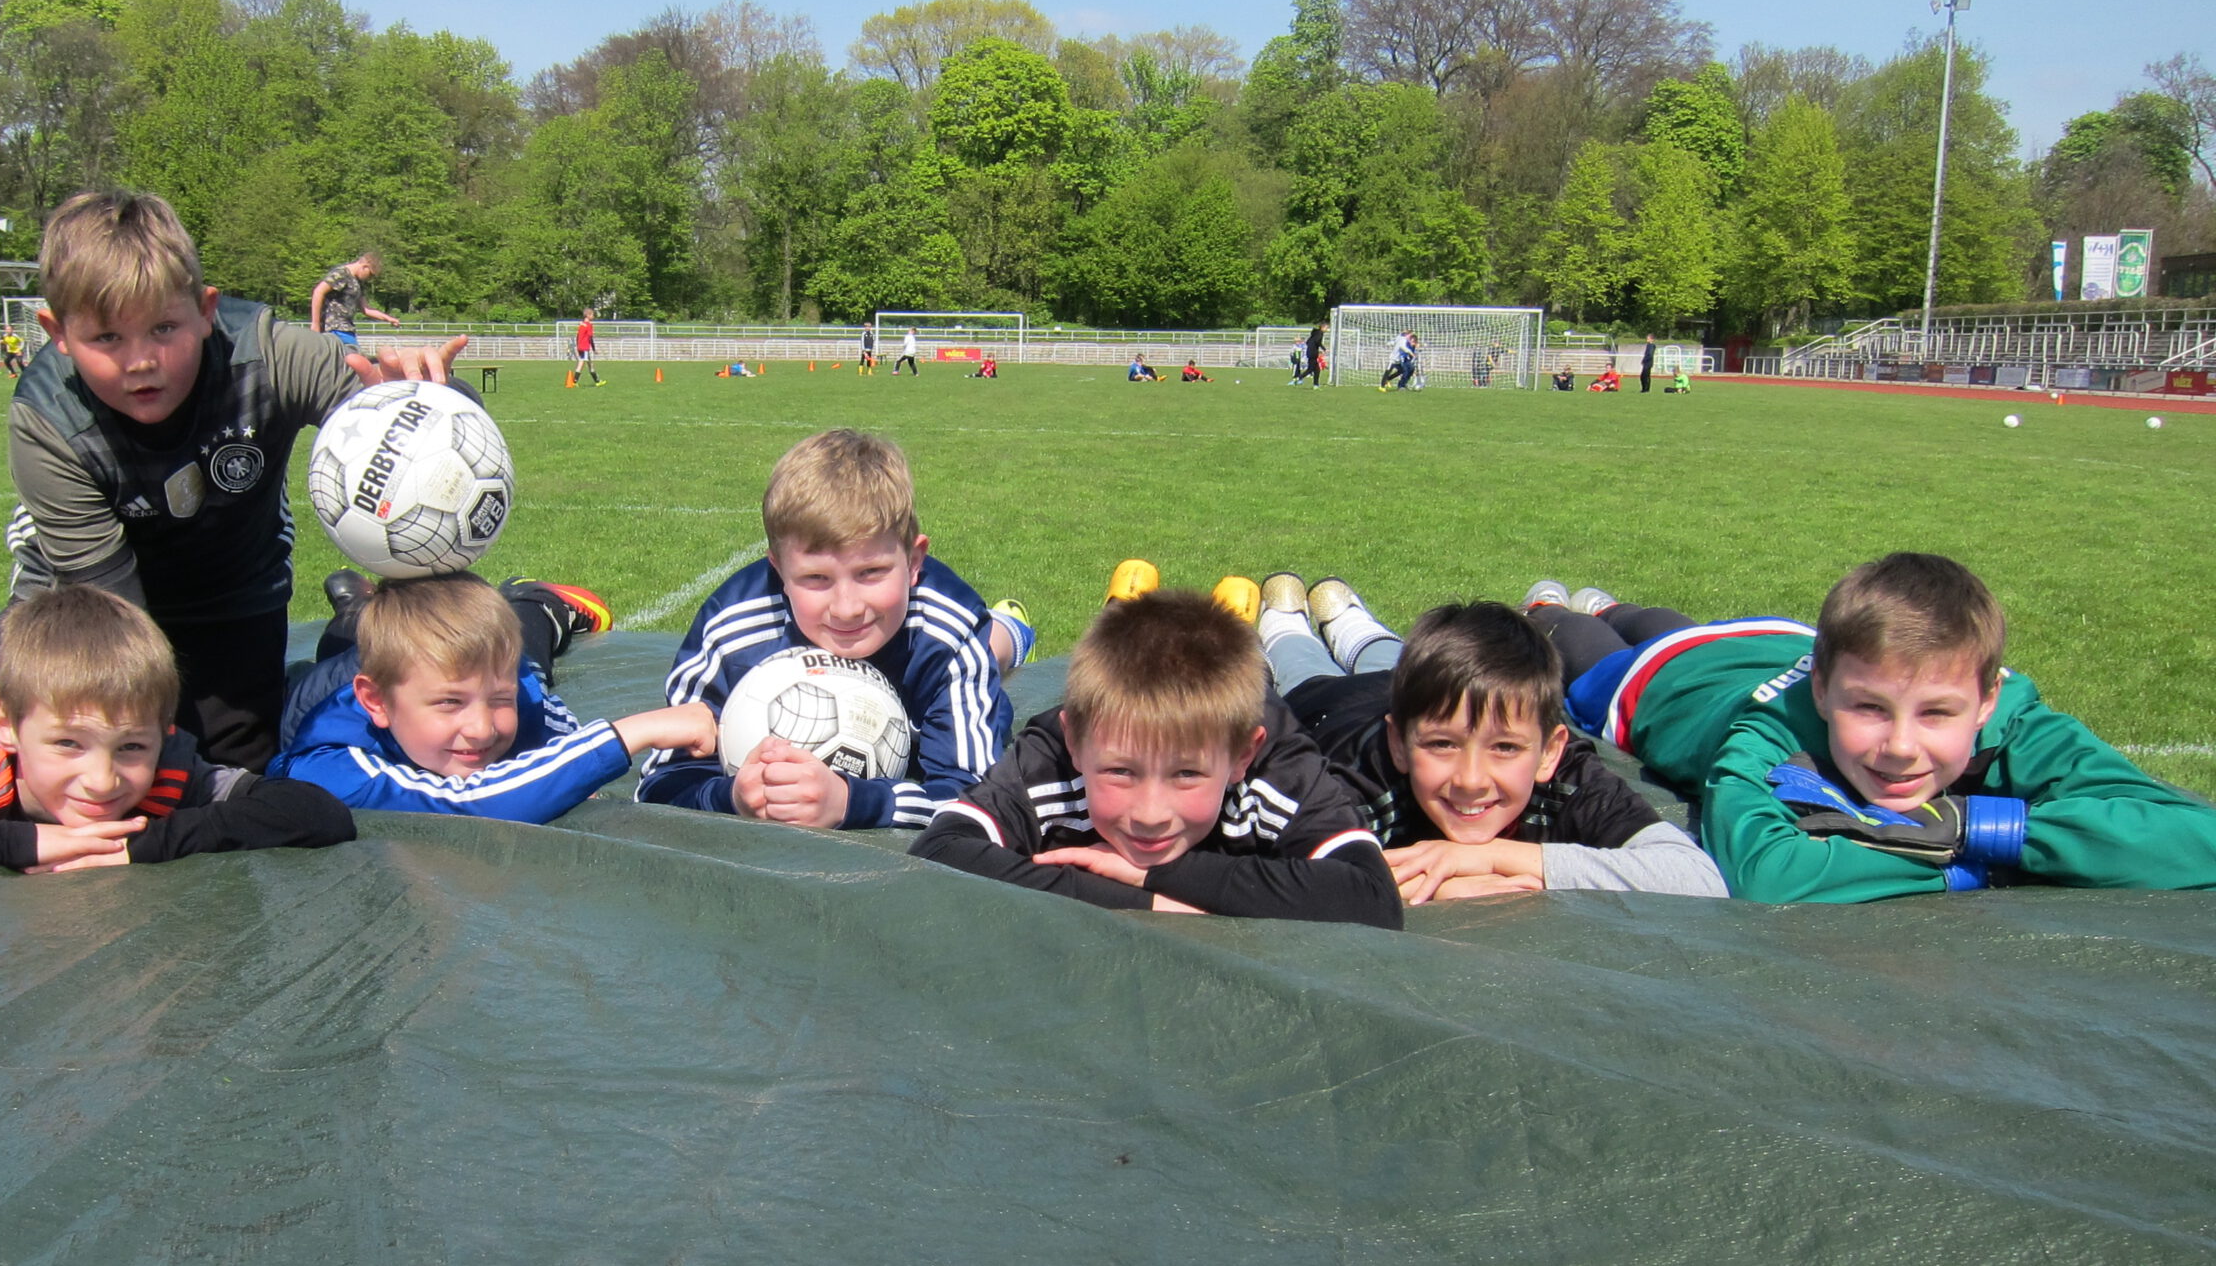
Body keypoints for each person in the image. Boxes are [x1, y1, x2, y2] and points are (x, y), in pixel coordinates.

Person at [1, 189, 469, 772]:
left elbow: (423, 432)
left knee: (238, 768)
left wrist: (433, 396)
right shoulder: (48, 420)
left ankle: (329, 655)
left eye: (164, 328)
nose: (140, 360)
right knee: (98, 762)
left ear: (205, 310)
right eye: (107, 339)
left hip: (234, 590)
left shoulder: (268, 354)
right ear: (57, 331)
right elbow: (109, 616)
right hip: (86, 604)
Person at [1532, 554, 2216, 901]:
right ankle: (1552, 607)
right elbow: (1768, 875)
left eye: (1938, 713)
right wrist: (1955, 855)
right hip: (1654, 679)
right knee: (1570, 635)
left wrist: (1974, 831)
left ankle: (1613, 602)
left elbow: (2197, 834)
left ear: (1985, 702)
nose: (1899, 746)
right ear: (1825, 693)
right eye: (1869, 711)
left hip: (1777, 638)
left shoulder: (2015, 719)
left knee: (1648, 614)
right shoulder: (1765, 730)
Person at [0, 583, 353, 888]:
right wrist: (23, 844)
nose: (102, 781)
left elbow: (316, 813)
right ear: (9, 730)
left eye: (131, 747)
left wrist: (142, 844)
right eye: (69, 744)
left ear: (163, 731)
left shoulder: (169, 760)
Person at [910, 589, 1401, 924]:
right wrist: (1150, 902)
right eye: (1121, 771)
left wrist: (1158, 873)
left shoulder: (1277, 766)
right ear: (1076, 743)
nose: (1149, 813)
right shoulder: (1050, 757)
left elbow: (1371, 897)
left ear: (1240, 757)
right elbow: (940, 852)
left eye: (1186, 774)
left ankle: (1285, 628)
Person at [1252, 575, 1723, 903]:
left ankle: (1353, 620)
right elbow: (1278, 878)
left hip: (1426, 698)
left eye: (1505, 747)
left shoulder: (1569, 776)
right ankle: (1284, 623)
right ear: (1399, 745)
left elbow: (1698, 878)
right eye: (1442, 746)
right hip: (1335, 706)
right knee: (1303, 667)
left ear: (1549, 751)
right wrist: (1437, 886)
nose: (1472, 781)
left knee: (1397, 659)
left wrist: (1493, 857)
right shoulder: (1355, 785)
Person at [636, 428, 1013, 830]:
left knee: (992, 647)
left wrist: (855, 802)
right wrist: (729, 796)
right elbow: (660, 786)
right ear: (778, 569)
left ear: (914, 561)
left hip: (956, 636)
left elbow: (978, 801)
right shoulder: (733, 629)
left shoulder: (948, 630)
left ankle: (1009, 630)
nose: (847, 608)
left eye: (871, 572)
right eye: (816, 578)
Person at [273, 572, 712, 822]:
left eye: (498, 700)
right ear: (377, 704)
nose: (482, 727)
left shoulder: (516, 688)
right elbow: (467, 801)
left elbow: (558, 746)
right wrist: (629, 732)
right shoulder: (327, 764)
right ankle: (357, 606)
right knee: (341, 648)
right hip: (320, 689)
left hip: (415, 676)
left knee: (531, 667)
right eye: (449, 703)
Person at [310, 253, 396, 353]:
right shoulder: (341, 274)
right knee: (355, 360)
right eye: (371, 274)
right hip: (334, 327)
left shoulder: (358, 282)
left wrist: (388, 318)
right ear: (365, 266)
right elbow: (318, 291)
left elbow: (366, 309)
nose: (370, 278)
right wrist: (315, 323)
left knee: (353, 361)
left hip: (347, 328)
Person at [571, 306, 603, 386]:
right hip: (585, 347)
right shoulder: (589, 325)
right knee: (581, 363)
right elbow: (590, 338)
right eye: (592, 315)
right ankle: (574, 382)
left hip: (580, 347)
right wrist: (594, 348)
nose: (593, 316)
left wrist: (578, 345)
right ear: (588, 315)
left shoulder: (581, 325)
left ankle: (597, 381)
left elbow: (577, 336)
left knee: (590, 364)